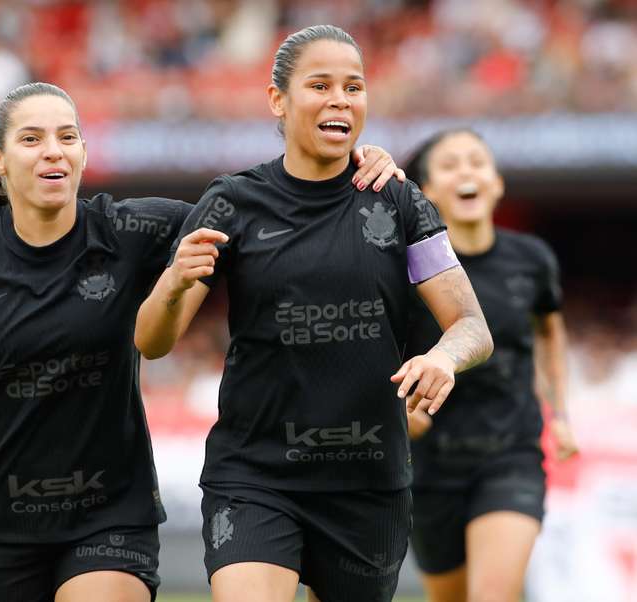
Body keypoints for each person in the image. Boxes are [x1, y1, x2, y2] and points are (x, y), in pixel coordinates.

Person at [0, 80, 404, 602]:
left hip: (111, 514)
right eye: (31, 139)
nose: (53, 151)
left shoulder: (130, 230)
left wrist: (341, 161)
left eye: (67, 136)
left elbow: (260, 212)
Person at [134, 25, 493, 602]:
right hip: (254, 476)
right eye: (320, 84)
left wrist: (444, 358)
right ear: (278, 99)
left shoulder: (399, 201)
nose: (340, 100)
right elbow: (152, 342)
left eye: (354, 87)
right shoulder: (232, 202)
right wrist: (174, 281)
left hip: (367, 484)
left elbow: (472, 326)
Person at [402, 129, 579, 602]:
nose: (466, 172)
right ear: (429, 190)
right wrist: (397, 412)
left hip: (511, 456)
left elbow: (548, 333)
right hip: (429, 467)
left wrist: (560, 415)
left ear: (496, 183)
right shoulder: (407, 270)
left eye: (476, 162)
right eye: (451, 164)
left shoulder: (532, 259)